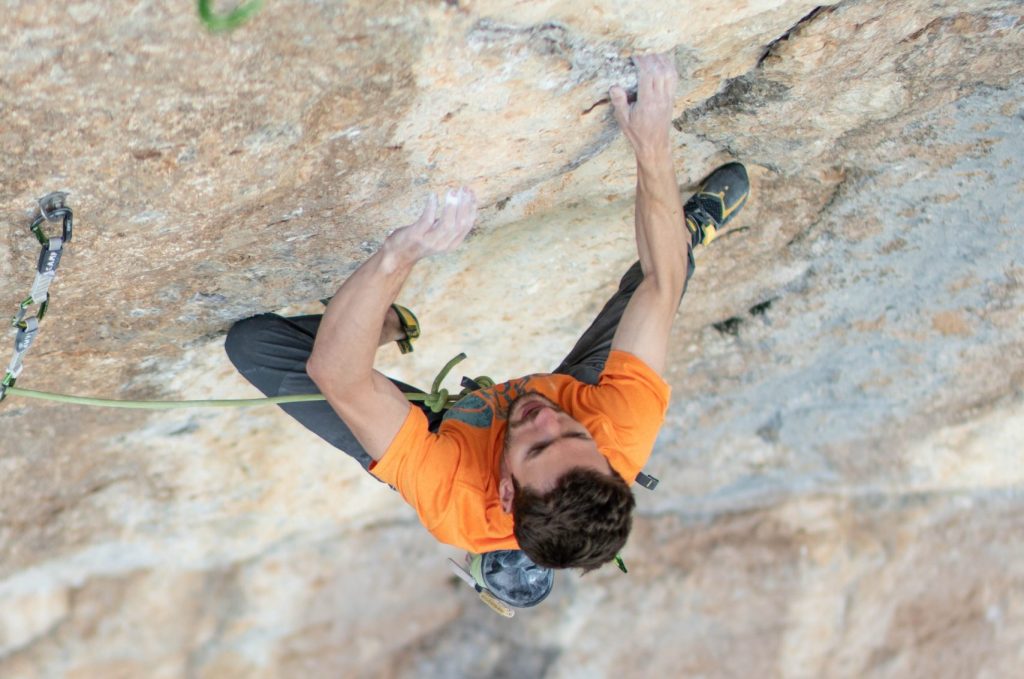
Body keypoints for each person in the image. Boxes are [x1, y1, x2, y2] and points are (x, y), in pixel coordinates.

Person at [225, 54, 749, 581]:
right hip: (577, 394)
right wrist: (651, 142)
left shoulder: (454, 498)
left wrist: (397, 256)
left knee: (255, 344)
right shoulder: (617, 429)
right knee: (663, 274)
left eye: (539, 446)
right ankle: (692, 227)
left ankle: (380, 323)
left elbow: (337, 376)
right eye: (574, 437)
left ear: (504, 490)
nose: (549, 419)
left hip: (445, 440)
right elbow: (662, 281)